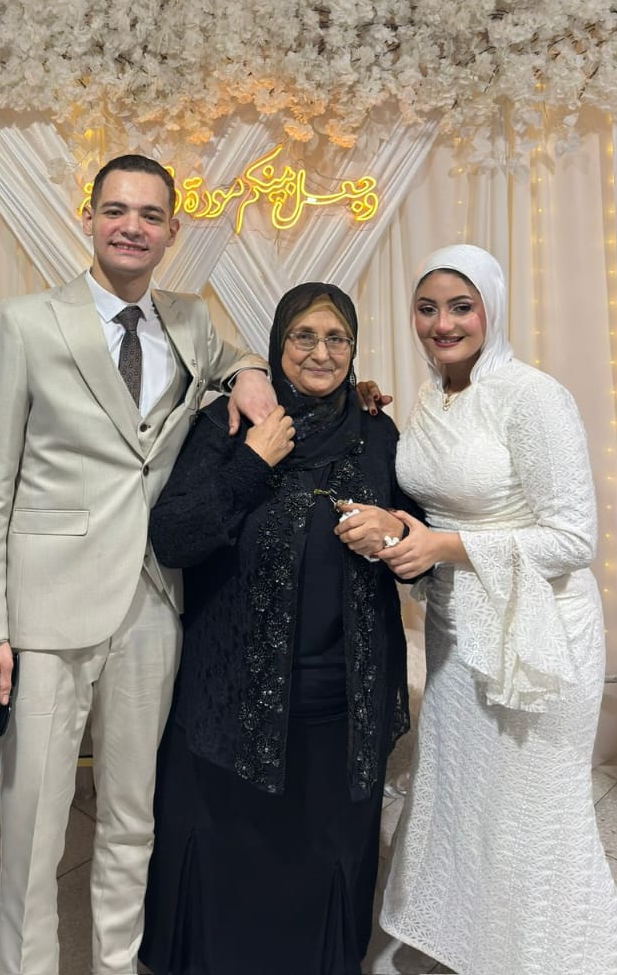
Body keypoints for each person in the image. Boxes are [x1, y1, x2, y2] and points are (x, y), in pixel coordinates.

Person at [0, 153, 276, 975]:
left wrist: (249, 372)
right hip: (47, 604)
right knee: (34, 818)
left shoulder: (190, 321)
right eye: (116, 210)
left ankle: (115, 961)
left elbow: (232, 355)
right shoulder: (26, 322)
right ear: (90, 218)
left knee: (134, 813)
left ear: (172, 231)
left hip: (152, 601)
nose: (131, 227)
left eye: (150, 215)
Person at [374, 244, 617, 975]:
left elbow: (574, 538)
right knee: (468, 797)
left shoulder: (533, 397)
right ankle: (472, 945)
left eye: (461, 307)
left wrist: (442, 546)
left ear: (492, 309)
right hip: (457, 626)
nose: (442, 324)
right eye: (427, 308)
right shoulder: (431, 396)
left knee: (531, 809)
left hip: (539, 635)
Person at [140, 282, 419, 975]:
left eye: (337, 338)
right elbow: (173, 537)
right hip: (230, 693)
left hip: (339, 699)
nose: (321, 353)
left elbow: (419, 541)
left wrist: (392, 531)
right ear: (276, 344)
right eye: (304, 337)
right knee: (224, 851)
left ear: (354, 348)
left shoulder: (376, 432)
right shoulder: (229, 423)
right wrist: (251, 465)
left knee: (321, 852)